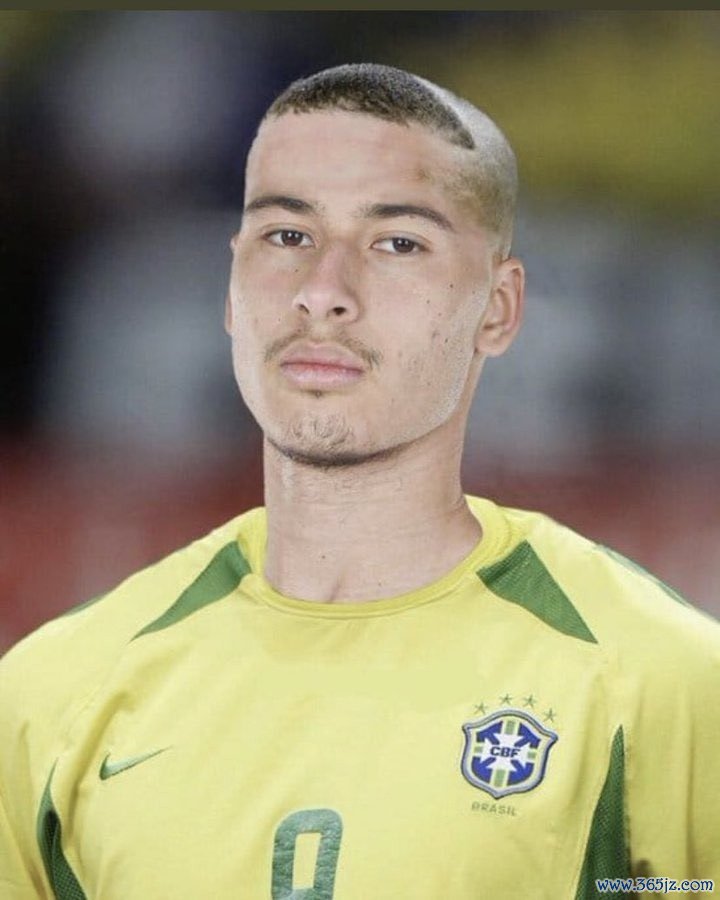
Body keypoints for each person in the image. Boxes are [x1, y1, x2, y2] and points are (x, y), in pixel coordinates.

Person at [1, 63, 718, 900]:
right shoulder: (53, 692)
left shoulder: (660, 683)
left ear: (499, 307)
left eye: (397, 243)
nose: (323, 293)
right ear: (231, 288)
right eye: (287, 236)